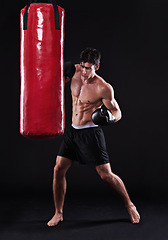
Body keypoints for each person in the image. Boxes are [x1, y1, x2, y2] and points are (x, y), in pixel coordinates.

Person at [47, 48, 140, 226]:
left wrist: (110, 118)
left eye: (88, 68)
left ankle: (129, 205)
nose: (84, 71)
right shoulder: (73, 72)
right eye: (82, 66)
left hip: (91, 132)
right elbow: (54, 83)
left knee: (106, 175)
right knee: (58, 169)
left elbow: (117, 111)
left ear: (97, 67)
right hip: (73, 131)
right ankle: (58, 213)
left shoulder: (103, 87)